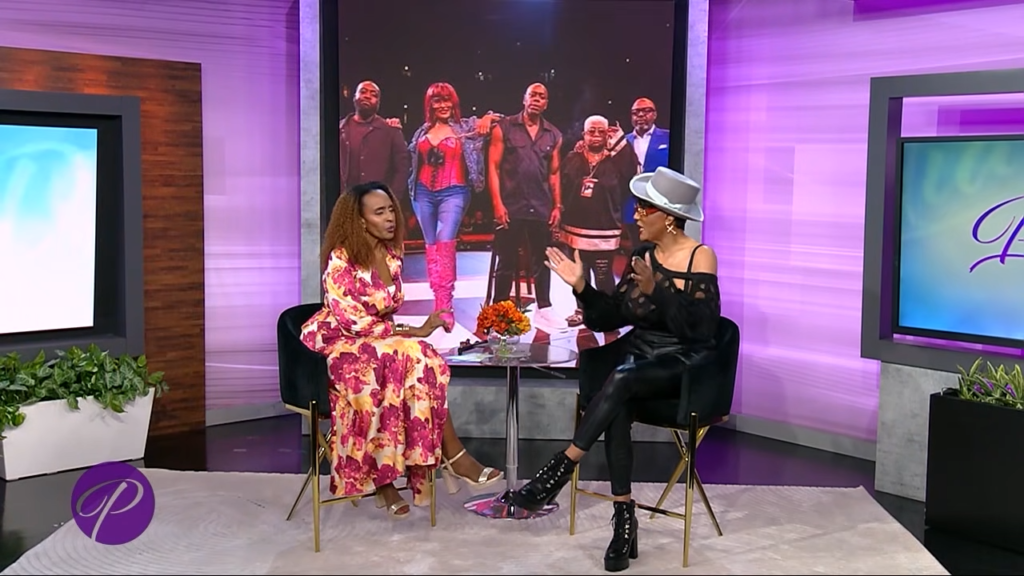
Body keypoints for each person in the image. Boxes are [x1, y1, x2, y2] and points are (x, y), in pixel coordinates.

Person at [511, 167, 720, 572]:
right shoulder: (642, 255)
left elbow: (702, 329)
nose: (635, 215)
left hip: (682, 364)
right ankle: (624, 520)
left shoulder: (701, 256)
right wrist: (581, 287)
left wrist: (658, 290)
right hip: (640, 359)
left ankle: (562, 467)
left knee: (621, 377)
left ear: (669, 218)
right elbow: (611, 317)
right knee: (619, 393)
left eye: (644, 208)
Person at [301, 182, 503, 519]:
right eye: (379, 212)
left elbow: (385, 314)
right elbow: (354, 322)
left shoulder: (392, 255)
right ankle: (448, 457)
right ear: (360, 220)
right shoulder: (341, 260)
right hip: (341, 344)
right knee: (412, 354)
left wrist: (413, 334)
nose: (390, 218)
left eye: (391, 210)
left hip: (379, 345)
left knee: (415, 359)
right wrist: (412, 333)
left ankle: (394, 477)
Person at [408, 82, 499, 330]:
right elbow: (411, 160)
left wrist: (488, 118)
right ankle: (438, 303)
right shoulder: (422, 131)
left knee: (445, 241)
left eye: (447, 100)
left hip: (455, 191)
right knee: (432, 247)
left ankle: (446, 306)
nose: (443, 105)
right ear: (430, 105)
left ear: (454, 102)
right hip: (422, 193)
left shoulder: (466, 126)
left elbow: (498, 120)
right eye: (437, 100)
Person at [487, 82, 565, 330]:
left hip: (541, 205)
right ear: (524, 98)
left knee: (542, 260)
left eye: (542, 96)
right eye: (533, 95)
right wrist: (497, 203)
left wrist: (557, 206)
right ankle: (499, 311)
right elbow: (493, 167)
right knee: (506, 261)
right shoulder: (505, 127)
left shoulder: (553, 134)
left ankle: (544, 308)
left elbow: (554, 173)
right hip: (511, 204)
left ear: (546, 103)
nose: (537, 99)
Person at [560, 115, 639, 328]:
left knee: (603, 276)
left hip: (605, 229)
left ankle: (608, 312)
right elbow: (561, 187)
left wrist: (620, 142)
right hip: (574, 229)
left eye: (601, 131)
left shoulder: (617, 160)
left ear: (607, 135)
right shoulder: (572, 157)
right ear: (583, 134)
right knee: (580, 274)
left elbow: (632, 172)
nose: (596, 135)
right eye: (591, 131)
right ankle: (581, 310)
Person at [339, 81, 411, 199]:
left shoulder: (390, 131)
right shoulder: (340, 129)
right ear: (354, 97)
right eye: (363, 92)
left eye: (373, 94)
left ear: (378, 103)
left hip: (376, 200)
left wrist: (391, 198)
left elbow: (402, 169)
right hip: (344, 200)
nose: (368, 96)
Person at [622, 98, 671, 251]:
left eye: (646, 111)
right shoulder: (622, 141)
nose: (641, 115)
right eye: (636, 112)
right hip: (631, 204)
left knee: (659, 249)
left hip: (659, 203)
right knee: (636, 248)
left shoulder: (669, 137)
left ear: (655, 114)